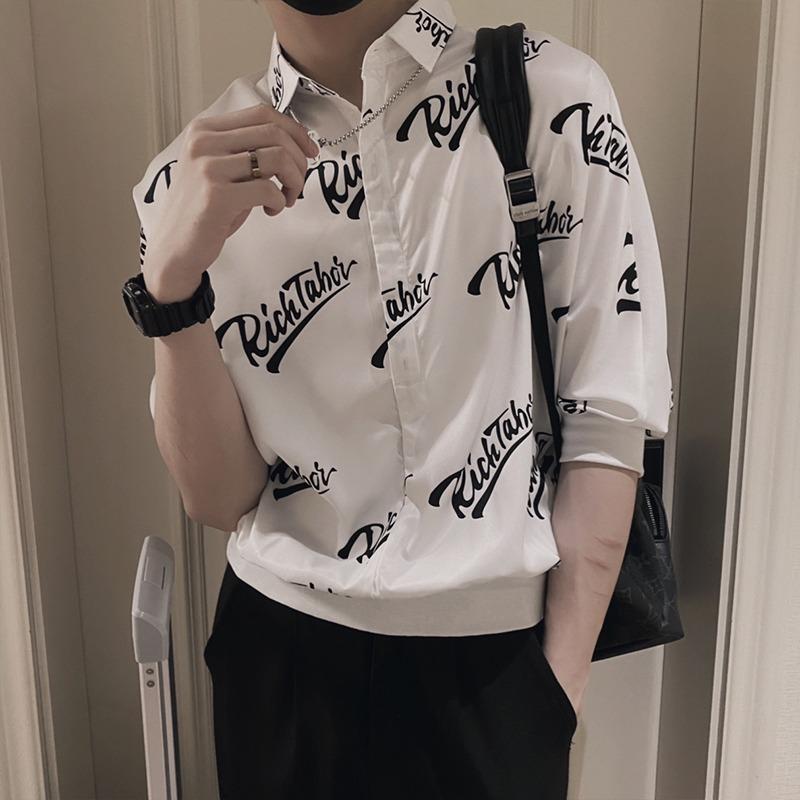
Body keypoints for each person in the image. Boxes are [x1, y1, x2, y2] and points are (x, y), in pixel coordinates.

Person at [126, 0, 673, 797]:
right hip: (278, 664)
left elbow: (608, 423)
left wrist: (553, 699)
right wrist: (171, 292)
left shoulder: (551, 97)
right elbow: (219, 496)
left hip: (496, 674)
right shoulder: (187, 179)